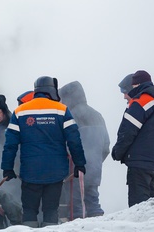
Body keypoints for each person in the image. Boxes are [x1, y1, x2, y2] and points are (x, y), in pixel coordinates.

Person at [1, 76, 86, 228]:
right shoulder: (62, 110)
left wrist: (7, 168)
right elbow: (74, 140)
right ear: (52, 91)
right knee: (51, 209)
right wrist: (80, 163)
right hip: (56, 172)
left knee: (29, 210)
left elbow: (10, 144)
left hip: (30, 172)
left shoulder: (20, 112)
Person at [112, 70, 154, 207]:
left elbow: (127, 132)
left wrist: (117, 152)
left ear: (135, 86)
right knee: (150, 207)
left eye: (125, 91)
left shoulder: (140, 102)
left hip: (139, 164)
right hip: (153, 163)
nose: (125, 96)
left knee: (138, 207)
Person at [58, 81, 110, 219]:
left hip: (74, 172)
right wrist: (95, 162)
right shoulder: (97, 115)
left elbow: (64, 145)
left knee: (76, 207)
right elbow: (106, 146)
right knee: (93, 203)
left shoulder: (69, 116)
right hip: (94, 171)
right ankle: (99, 227)